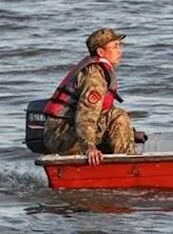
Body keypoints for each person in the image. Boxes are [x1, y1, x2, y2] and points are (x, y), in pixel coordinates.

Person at [43, 28, 142, 165]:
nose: (120, 51)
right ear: (101, 52)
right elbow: (86, 114)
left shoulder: (98, 69)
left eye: (120, 46)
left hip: (63, 133)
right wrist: (89, 147)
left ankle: (125, 162)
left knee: (117, 116)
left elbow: (104, 111)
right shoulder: (94, 77)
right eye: (114, 47)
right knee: (119, 116)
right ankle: (128, 167)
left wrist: (131, 133)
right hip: (61, 136)